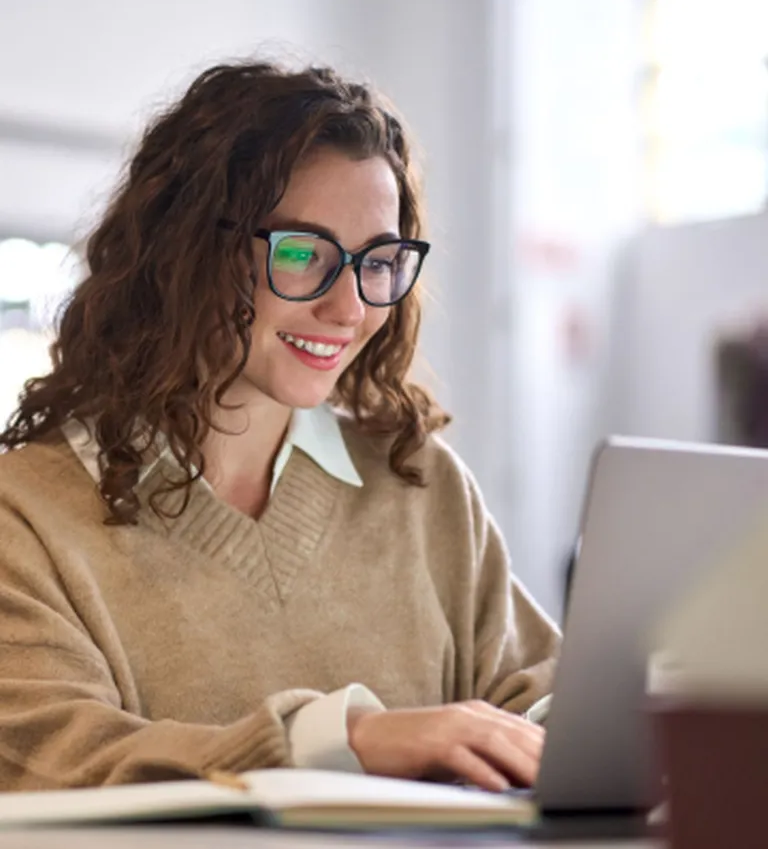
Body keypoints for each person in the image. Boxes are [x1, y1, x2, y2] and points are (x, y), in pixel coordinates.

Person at [0, 60, 560, 793]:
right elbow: (59, 762)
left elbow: (537, 704)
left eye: (378, 262)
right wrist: (347, 740)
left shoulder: (422, 487)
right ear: (184, 253)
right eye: (302, 254)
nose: (351, 310)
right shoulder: (26, 514)